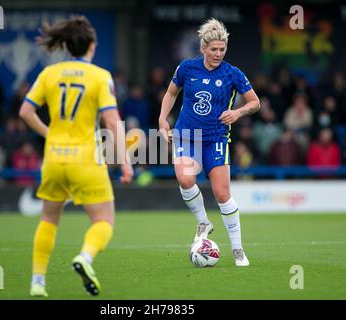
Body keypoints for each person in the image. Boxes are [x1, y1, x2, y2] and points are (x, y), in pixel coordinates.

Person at [19, 16, 133, 297]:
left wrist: (50, 134)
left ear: (67, 46)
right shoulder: (100, 76)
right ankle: (85, 257)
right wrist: (126, 161)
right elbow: (112, 122)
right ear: (91, 46)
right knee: (104, 221)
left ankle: (38, 282)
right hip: (86, 159)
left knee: (48, 220)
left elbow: (25, 112)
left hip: (55, 158)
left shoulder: (49, 74)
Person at [158, 18, 260, 267]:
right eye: (213, 49)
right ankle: (203, 221)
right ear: (203, 48)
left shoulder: (233, 73)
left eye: (221, 49)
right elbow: (171, 93)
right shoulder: (186, 68)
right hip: (186, 134)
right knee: (185, 178)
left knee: (222, 194)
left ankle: (237, 249)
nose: (217, 54)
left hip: (216, 138)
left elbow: (255, 102)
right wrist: (162, 120)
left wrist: (237, 113)